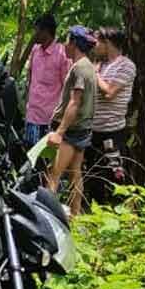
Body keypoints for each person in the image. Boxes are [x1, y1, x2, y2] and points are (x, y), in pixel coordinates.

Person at [45, 26, 98, 217]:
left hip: (72, 130)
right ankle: (75, 216)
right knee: (76, 173)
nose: (64, 45)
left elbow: (75, 102)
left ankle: (47, 217)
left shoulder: (80, 69)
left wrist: (60, 132)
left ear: (74, 43)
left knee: (54, 174)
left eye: (67, 41)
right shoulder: (89, 66)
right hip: (83, 128)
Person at [84, 26, 136, 203]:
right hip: (94, 130)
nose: (94, 46)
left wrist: (95, 73)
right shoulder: (102, 65)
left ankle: (120, 215)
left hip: (112, 132)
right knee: (94, 176)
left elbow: (109, 92)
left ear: (108, 43)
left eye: (97, 42)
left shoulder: (126, 65)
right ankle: (98, 216)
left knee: (116, 174)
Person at [23, 14, 71, 147]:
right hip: (32, 115)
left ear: (46, 31)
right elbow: (30, 76)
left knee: (46, 158)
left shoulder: (62, 54)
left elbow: (67, 86)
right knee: (30, 155)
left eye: (37, 31)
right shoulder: (35, 51)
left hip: (49, 119)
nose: (35, 34)